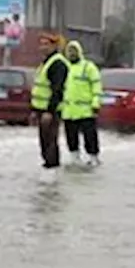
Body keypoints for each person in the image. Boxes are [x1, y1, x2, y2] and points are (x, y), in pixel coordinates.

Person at [60, 40, 103, 166]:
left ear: (79, 52)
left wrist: (96, 103)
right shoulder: (64, 67)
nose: (71, 54)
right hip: (68, 111)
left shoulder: (88, 67)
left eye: (74, 51)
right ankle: (74, 157)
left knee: (90, 136)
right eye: (69, 51)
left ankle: (93, 157)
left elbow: (96, 86)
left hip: (86, 110)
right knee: (71, 137)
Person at [30, 33, 69, 170]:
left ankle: (52, 169)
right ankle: (48, 167)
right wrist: (34, 110)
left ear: (54, 45)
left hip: (50, 111)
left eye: (46, 44)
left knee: (50, 141)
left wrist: (49, 111)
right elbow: (40, 88)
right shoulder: (45, 63)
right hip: (41, 109)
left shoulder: (57, 63)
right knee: (44, 142)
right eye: (41, 44)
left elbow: (57, 90)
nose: (43, 47)